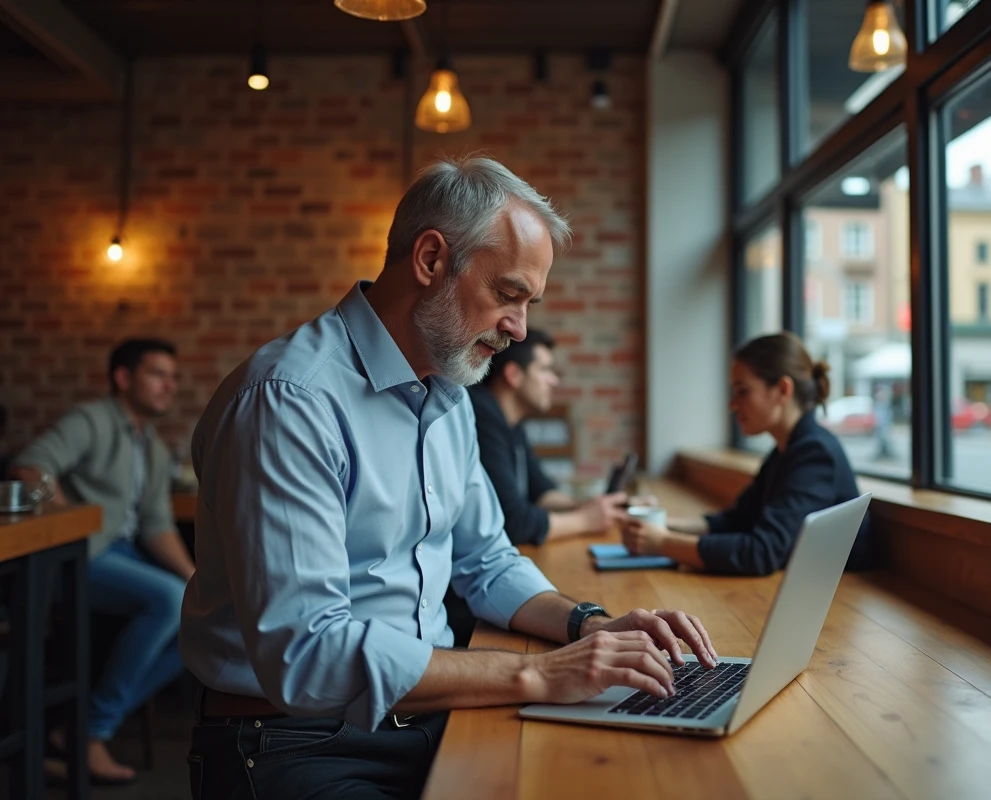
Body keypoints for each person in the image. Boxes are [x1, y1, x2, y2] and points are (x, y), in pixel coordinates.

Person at [180, 156, 717, 800]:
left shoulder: (450, 397)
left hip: (428, 721)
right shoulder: (289, 401)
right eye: (508, 294)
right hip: (292, 743)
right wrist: (539, 675)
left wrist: (591, 626)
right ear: (431, 260)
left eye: (527, 303)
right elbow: (309, 654)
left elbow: (487, 562)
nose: (519, 328)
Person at [10, 338, 194, 785]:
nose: (169, 385)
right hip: (77, 559)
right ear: (124, 378)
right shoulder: (90, 419)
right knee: (170, 600)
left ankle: (81, 728)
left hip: (123, 557)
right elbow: (31, 468)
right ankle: (91, 733)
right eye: (157, 374)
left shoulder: (150, 448)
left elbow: (157, 527)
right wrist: (75, 526)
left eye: (173, 376)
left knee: (206, 616)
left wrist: (198, 582)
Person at [621, 332, 873, 576]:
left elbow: (762, 552)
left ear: (783, 389)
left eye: (743, 391)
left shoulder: (814, 454)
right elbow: (738, 519)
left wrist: (663, 542)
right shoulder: (787, 450)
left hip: (836, 595)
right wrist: (661, 526)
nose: (732, 404)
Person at [468, 328, 628, 546]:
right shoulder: (481, 416)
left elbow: (541, 492)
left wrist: (592, 506)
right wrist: (585, 520)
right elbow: (512, 522)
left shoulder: (511, 424)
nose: (553, 380)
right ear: (513, 375)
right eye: (544, 370)